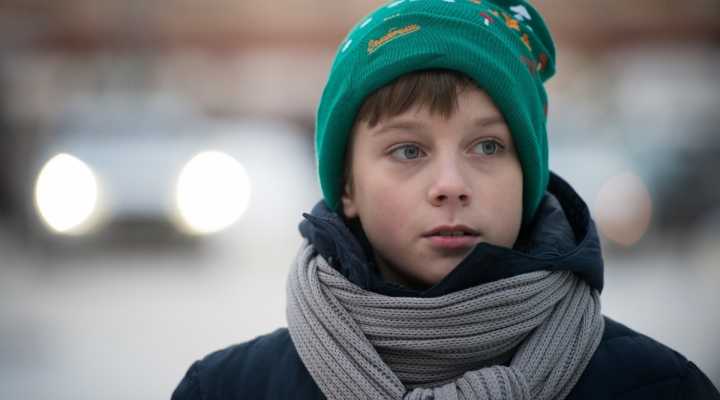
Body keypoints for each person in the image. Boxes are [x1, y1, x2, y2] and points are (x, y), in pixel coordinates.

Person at [172, 1, 720, 399]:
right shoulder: (226, 389)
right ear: (347, 187)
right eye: (408, 150)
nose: (451, 184)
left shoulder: (658, 387)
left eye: (487, 146)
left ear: (527, 175)